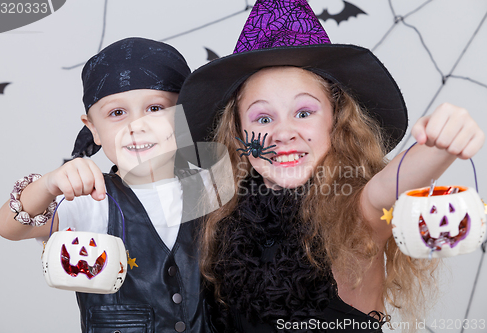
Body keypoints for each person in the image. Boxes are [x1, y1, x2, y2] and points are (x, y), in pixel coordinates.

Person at [177, 1, 485, 332]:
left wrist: (440, 144)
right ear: (238, 133)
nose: (283, 133)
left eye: (304, 112)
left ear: (336, 122)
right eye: (263, 118)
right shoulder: (217, 219)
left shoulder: (359, 211)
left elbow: (393, 184)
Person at [0, 37, 209, 333]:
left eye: (155, 108)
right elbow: (9, 227)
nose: (136, 125)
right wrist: (48, 185)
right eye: (117, 113)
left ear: (185, 115)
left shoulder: (214, 189)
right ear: (93, 128)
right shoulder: (87, 198)